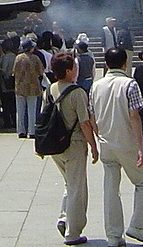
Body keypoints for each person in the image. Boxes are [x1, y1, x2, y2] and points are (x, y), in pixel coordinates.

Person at [90, 46, 143, 247]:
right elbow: (135, 116)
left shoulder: (96, 86)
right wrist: (140, 146)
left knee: (110, 188)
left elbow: (92, 116)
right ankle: (137, 226)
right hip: (127, 142)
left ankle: (113, 235)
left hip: (106, 142)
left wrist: (99, 135)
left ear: (106, 64)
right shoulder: (130, 84)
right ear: (125, 63)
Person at [46, 50, 98, 247]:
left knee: (70, 184)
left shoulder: (50, 89)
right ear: (68, 71)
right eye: (75, 67)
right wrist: (93, 146)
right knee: (78, 188)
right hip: (74, 144)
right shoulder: (77, 92)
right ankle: (72, 232)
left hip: (55, 145)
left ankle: (64, 217)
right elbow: (85, 122)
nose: (77, 69)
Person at [14, 39, 45, 138]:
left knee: (20, 111)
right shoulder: (35, 58)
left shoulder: (18, 58)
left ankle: (21, 131)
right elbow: (41, 71)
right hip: (33, 87)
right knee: (32, 110)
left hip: (20, 86)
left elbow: (14, 72)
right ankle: (31, 131)